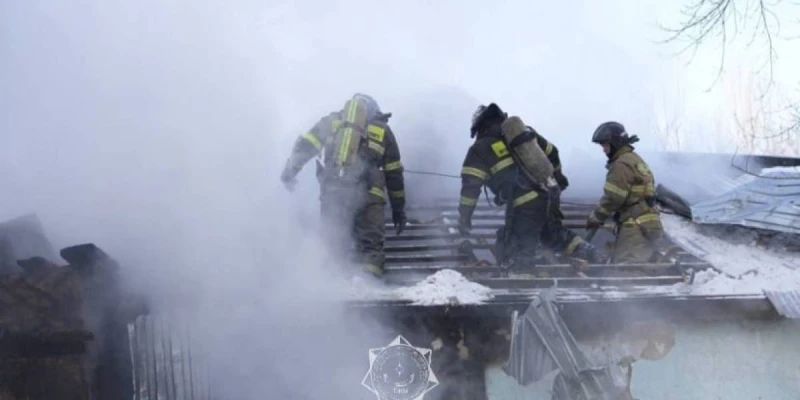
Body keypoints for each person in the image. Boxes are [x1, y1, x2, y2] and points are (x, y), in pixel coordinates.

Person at [458, 103, 605, 269]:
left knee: (519, 253)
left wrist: (464, 220)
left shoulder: (479, 149)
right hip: (549, 195)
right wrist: (558, 181)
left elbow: (469, 190)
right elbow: (553, 152)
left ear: (480, 127)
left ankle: (524, 279)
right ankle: (591, 253)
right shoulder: (524, 134)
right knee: (553, 234)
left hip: (523, 204)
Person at [279, 93, 407, 277]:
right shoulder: (382, 129)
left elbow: (305, 146)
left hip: (333, 192)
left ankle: (334, 284)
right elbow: (394, 173)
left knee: (334, 242)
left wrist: (289, 172)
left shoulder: (331, 122)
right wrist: (398, 210)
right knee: (370, 247)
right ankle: (370, 284)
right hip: (370, 197)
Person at [586, 121, 664, 263]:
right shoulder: (636, 160)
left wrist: (596, 216)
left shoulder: (621, 165)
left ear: (615, 143)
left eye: (605, 145)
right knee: (647, 269)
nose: (604, 150)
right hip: (649, 225)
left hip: (635, 227)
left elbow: (613, 197)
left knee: (628, 269)